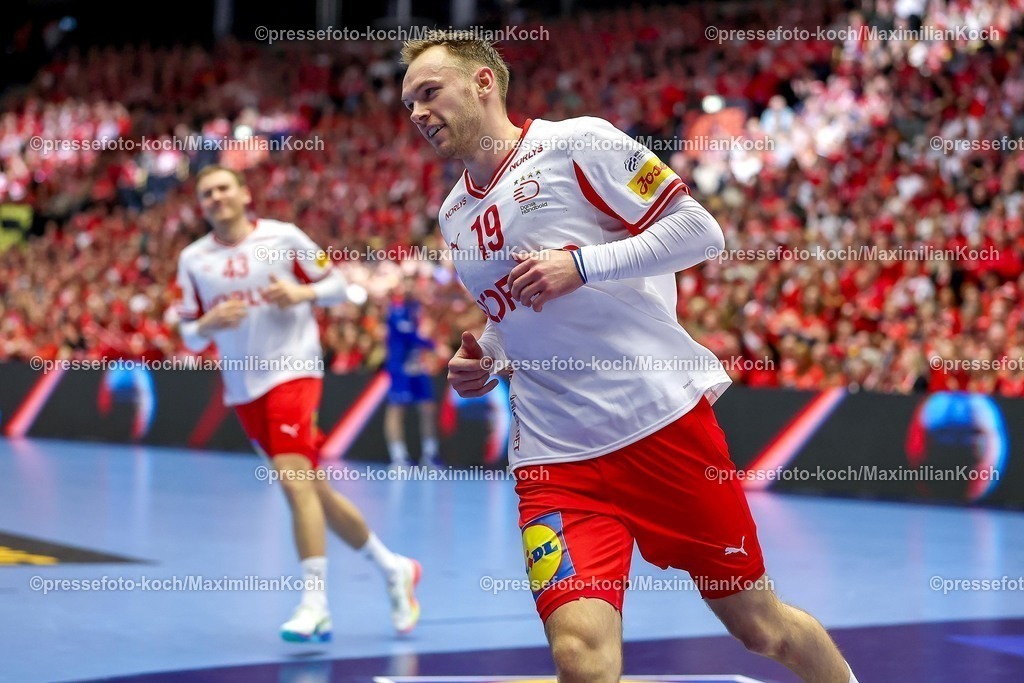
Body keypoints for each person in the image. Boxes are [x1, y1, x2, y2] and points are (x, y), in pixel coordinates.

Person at [400, 33, 859, 683]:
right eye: (408, 104)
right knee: (580, 657)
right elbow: (510, 313)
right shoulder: (452, 215)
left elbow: (701, 230)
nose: (417, 112)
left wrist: (582, 265)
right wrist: (486, 358)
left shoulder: (577, 143)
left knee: (763, 628)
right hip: (554, 457)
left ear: (483, 83)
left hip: (661, 427)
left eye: (428, 92)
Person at [173, 165, 421, 642]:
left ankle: (315, 604)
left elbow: (338, 287)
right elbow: (187, 329)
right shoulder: (193, 260)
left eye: (224, 187)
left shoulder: (284, 237)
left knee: (292, 483)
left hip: (294, 371)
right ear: (201, 206)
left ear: (245, 194)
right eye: (206, 193)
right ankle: (395, 569)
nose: (216, 197)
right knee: (313, 491)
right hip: (244, 388)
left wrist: (300, 291)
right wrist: (208, 325)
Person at [383, 279, 441, 466]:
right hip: (400, 368)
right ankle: (398, 455)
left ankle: (430, 453)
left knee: (427, 408)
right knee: (397, 408)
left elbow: (425, 330)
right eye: (406, 285)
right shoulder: (396, 311)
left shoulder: (418, 310)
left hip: (418, 366)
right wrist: (434, 346)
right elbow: (410, 335)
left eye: (413, 285)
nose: (410, 288)